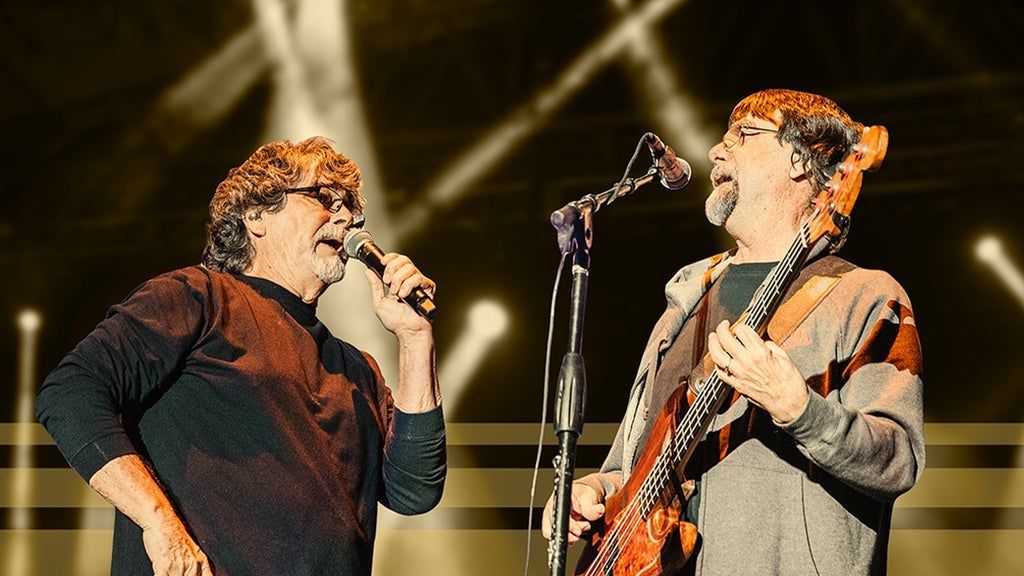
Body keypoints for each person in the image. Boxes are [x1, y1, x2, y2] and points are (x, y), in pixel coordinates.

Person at [542, 89, 924, 575]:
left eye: (742, 134)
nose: (715, 151)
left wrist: (801, 410)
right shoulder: (685, 302)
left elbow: (898, 459)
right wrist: (596, 491)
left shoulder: (863, 296)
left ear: (799, 161)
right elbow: (633, 467)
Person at [36, 137, 446, 575]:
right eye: (325, 198)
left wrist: (415, 338)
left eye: (350, 208)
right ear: (256, 215)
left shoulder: (356, 370)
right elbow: (70, 391)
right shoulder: (197, 298)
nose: (345, 217)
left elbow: (413, 490)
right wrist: (158, 523)